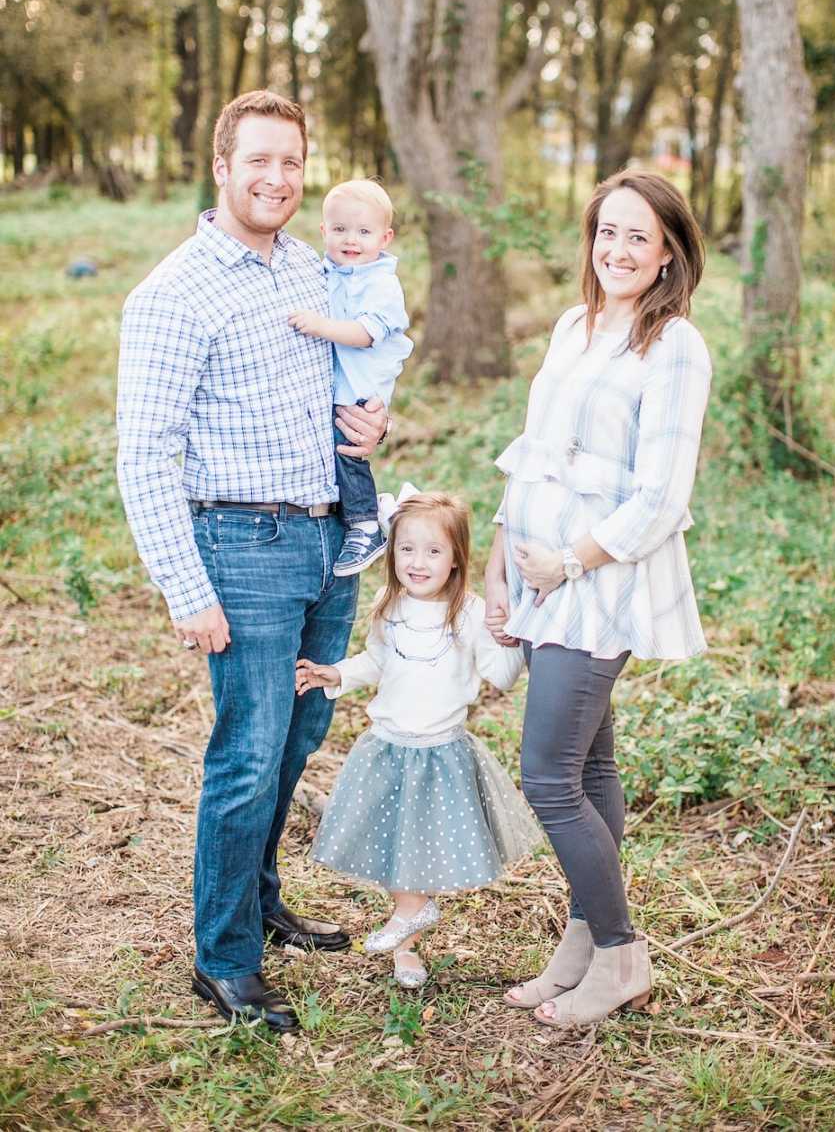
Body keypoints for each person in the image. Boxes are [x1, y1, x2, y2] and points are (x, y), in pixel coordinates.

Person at [116, 90, 387, 1032]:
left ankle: (262, 902)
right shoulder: (173, 293)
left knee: (299, 739)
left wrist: (371, 420)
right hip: (241, 549)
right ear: (222, 166)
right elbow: (144, 453)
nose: (277, 179)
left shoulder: (314, 269)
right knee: (246, 754)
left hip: (327, 540)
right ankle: (223, 959)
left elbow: (353, 368)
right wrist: (186, 590)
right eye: (259, 161)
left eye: (291, 164)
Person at [484, 170, 711, 1028]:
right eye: (606, 232)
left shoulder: (675, 346)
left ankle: (620, 955)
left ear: (666, 257)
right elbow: (534, 452)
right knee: (590, 766)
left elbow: (660, 496)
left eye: (638, 238)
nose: (617, 250)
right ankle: (581, 944)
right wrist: (506, 564)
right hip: (541, 574)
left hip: (600, 583)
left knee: (547, 776)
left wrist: (567, 565)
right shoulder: (572, 326)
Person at [295, 489, 541, 989]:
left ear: (455, 560)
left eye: (433, 551)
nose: (417, 561)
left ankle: (412, 913)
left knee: (419, 851)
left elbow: (500, 674)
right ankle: (407, 941)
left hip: (439, 754)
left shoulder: (469, 613)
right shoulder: (389, 607)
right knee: (393, 846)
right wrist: (334, 674)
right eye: (406, 549)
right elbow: (378, 661)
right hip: (386, 747)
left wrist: (512, 633)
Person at [288, 179, 413, 578]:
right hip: (337, 384)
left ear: (385, 237)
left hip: (361, 387)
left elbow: (364, 334)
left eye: (364, 232)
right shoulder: (327, 270)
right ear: (324, 231)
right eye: (340, 230)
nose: (351, 240)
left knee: (348, 452)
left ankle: (364, 524)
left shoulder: (381, 283)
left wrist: (319, 326)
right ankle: (355, 517)